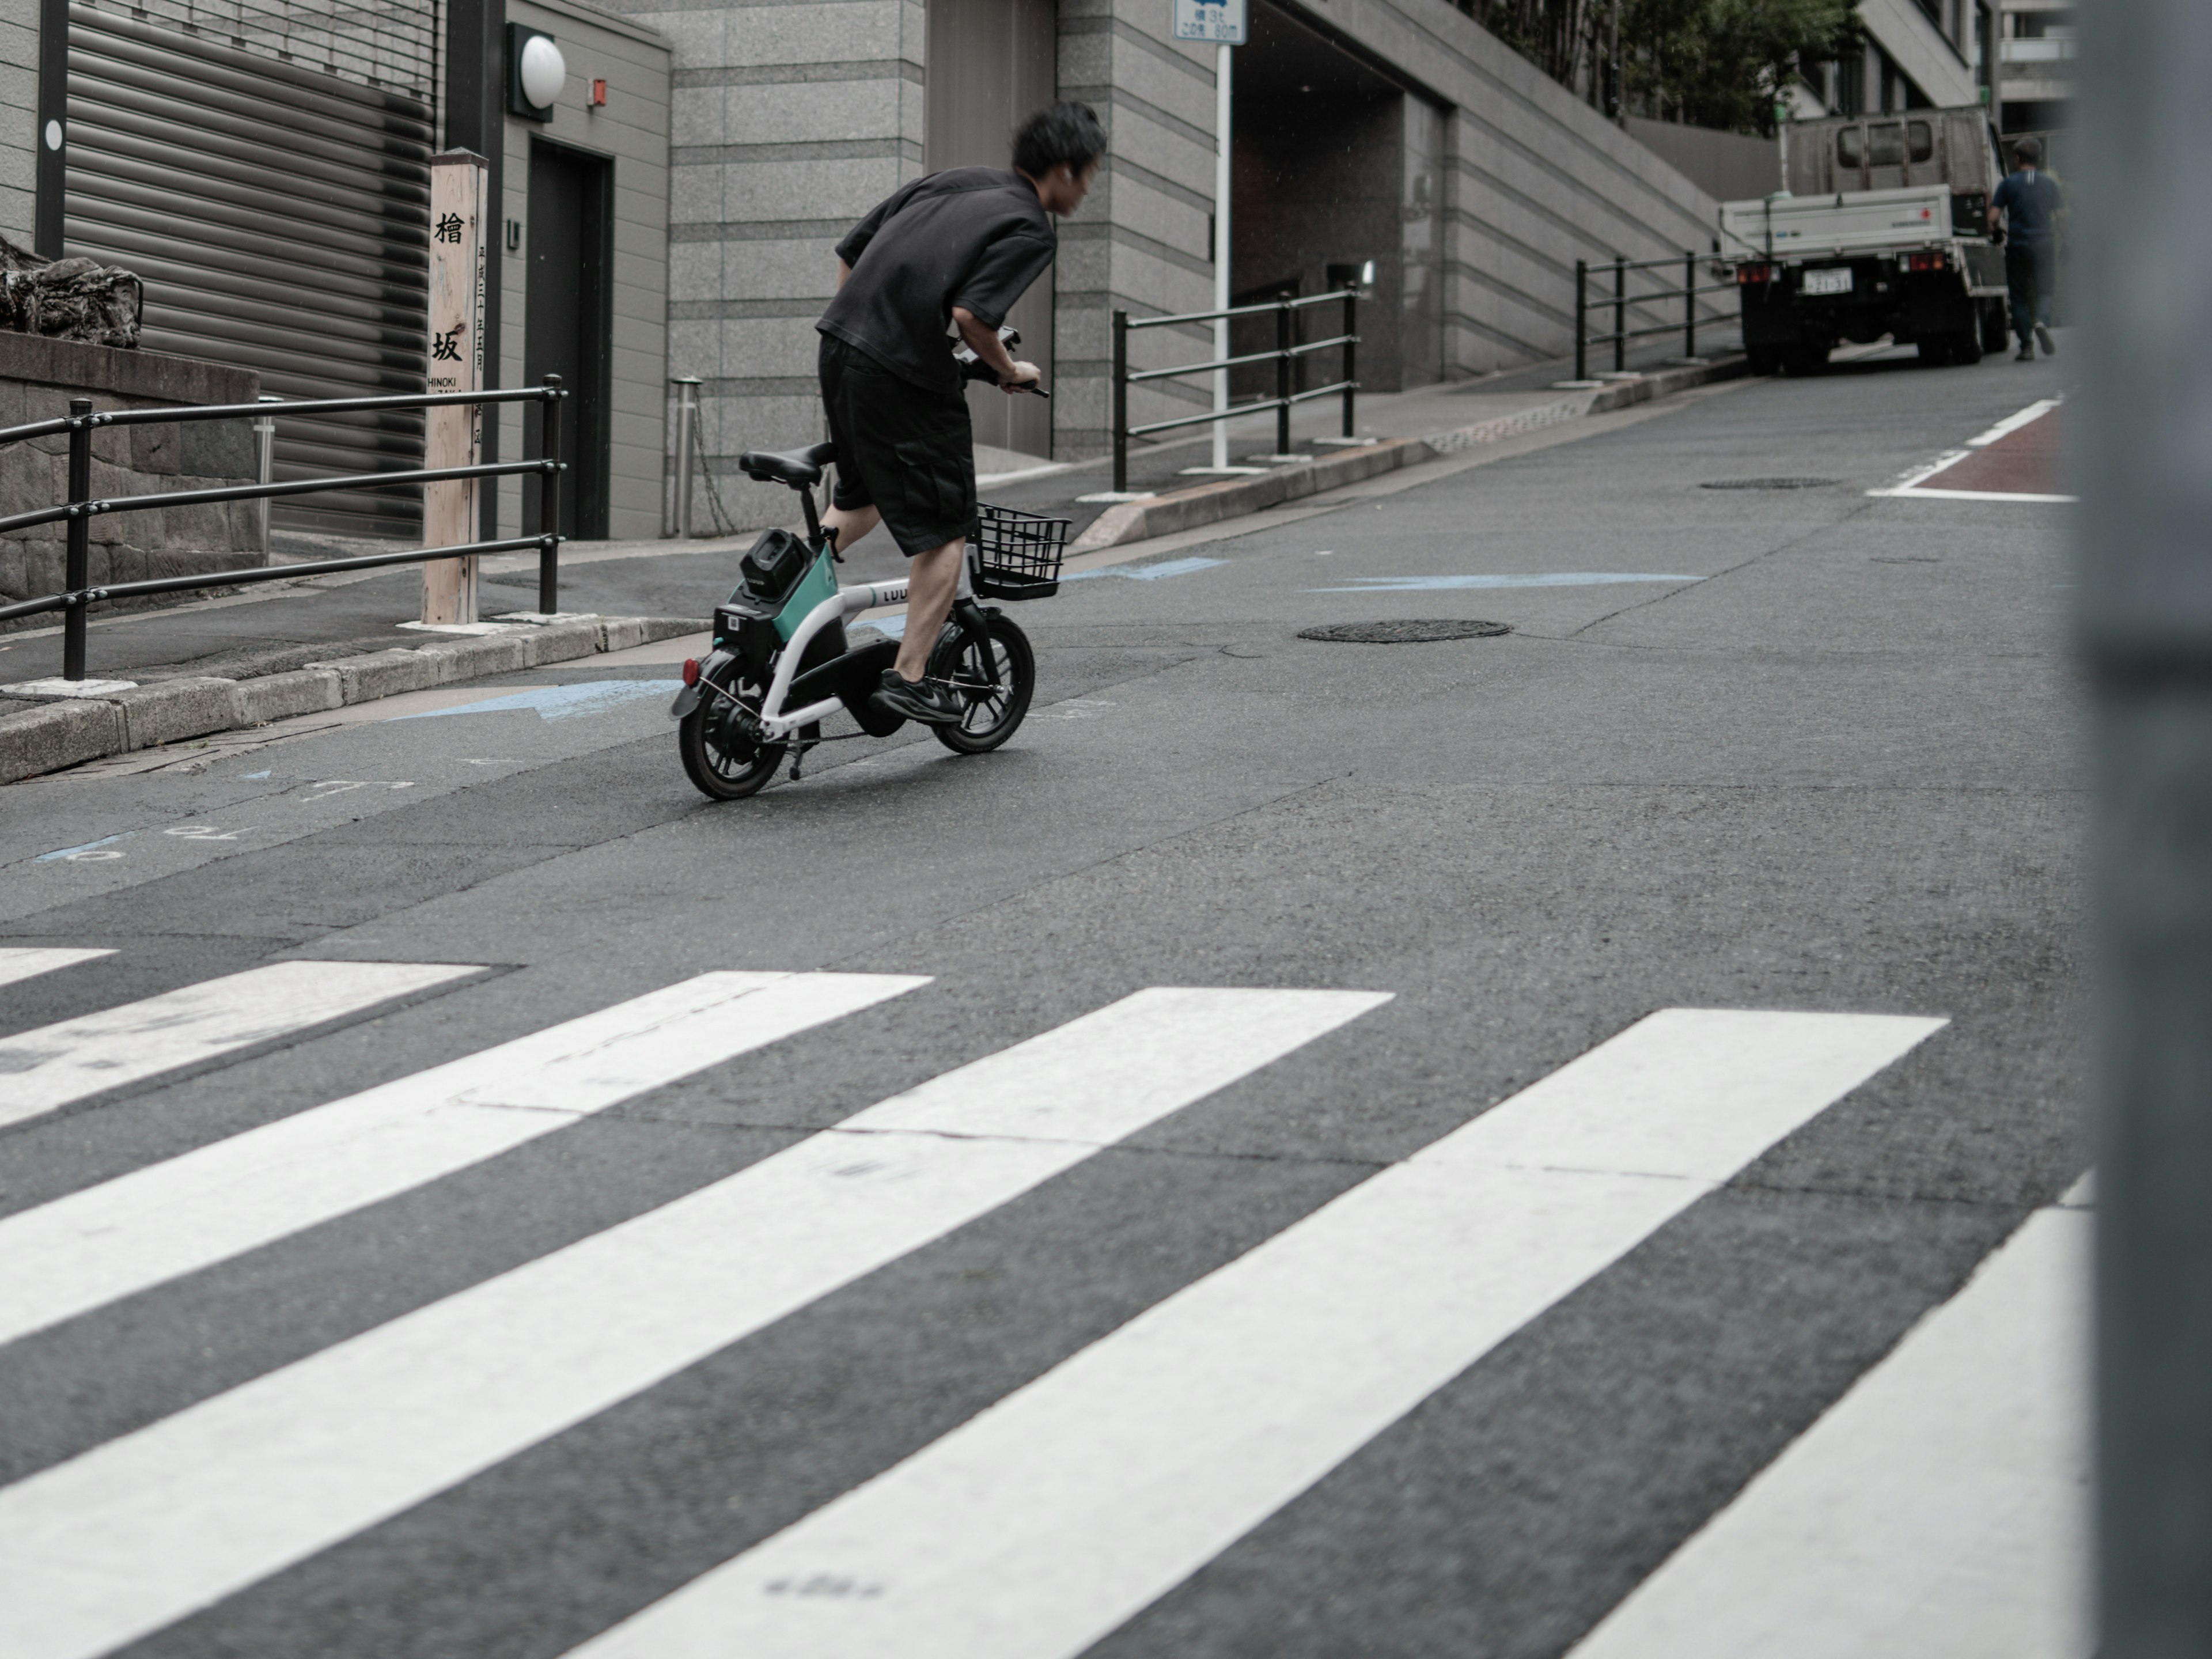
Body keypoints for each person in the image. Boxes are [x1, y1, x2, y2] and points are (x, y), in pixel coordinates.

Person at [814, 102, 1107, 725]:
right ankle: (911, 676)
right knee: (946, 527)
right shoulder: (1030, 226)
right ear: (1063, 170)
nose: (1088, 189)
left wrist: (869, 323)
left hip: (839, 345)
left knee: (861, 495)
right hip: (900, 373)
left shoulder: (955, 180)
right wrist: (1008, 371)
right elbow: (976, 317)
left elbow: (851, 250)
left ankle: (784, 597)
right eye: (1089, 175)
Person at [1989, 138, 2065, 362]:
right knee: (2045, 290)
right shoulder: (2050, 184)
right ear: (2039, 159)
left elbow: (1993, 217)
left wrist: (1997, 232)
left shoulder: (2008, 184)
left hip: (2018, 244)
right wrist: (2067, 242)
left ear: (2017, 159)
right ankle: (2041, 320)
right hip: (2044, 242)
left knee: (2019, 296)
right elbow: (2061, 217)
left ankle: (2027, 346)